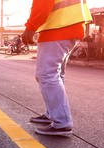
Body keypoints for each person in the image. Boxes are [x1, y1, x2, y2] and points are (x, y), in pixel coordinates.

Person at [22, 0, 92, 136]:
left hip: (58, 29)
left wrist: (30, 28)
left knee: (47, 75)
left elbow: (42, 6)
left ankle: (61, 121)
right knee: (56, 74)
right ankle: (52, 114)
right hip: (69, 28)